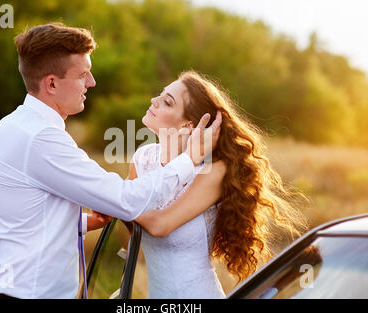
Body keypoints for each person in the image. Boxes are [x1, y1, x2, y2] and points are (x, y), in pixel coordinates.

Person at [0, 23, 221, 299]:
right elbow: (128, 200)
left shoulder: (13, 125)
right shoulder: (42, 139)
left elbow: (19, 216)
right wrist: (190, 157)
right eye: (82, 75)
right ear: (52, 83)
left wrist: (81, 222)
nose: (91, 82)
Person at [125, 71, 308, 298]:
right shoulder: (142, 159)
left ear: (188, 125)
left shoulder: (213, 171)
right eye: (160, 95)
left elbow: (159, 225)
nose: (154, 101)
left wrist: (112, 198)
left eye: (167, 102)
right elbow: (133, 225)